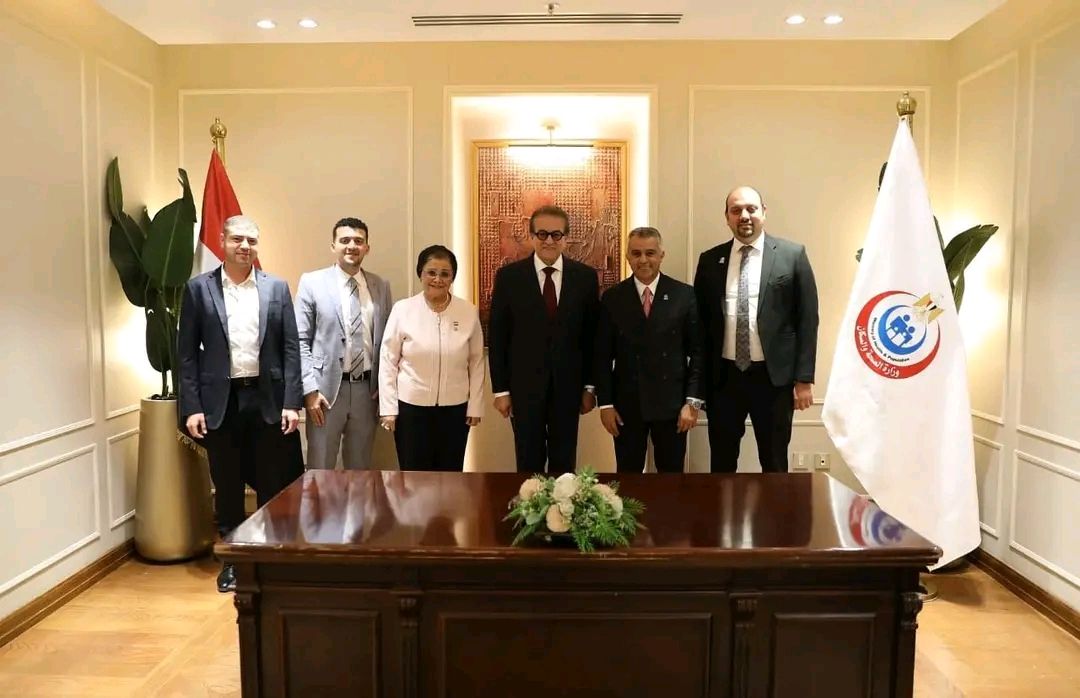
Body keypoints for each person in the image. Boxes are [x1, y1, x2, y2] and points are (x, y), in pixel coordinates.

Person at [177, 215, 303, 592]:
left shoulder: (276, 288)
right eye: (237, 239)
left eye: (251, 240)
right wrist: (192, 406)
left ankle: (265, 555)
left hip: (267, 398)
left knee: (270, 479)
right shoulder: (198, 289)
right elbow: (187, 354)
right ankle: (233, 561)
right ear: (222, 241)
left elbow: (291, 349)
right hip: (222, 401)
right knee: (228, 482)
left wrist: (291, 402)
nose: (245, 246)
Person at [693, 186, 819, 473]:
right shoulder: (710, 260)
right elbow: (700, 326)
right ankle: (722, 505)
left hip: (773, 380)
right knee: (722, 462)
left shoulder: (792, 255)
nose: (744, 216)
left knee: (774, 462)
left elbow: (808, 320)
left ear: (764, 212)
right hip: (724, 379)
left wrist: (804, 380)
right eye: (736, 210)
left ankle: (776, 506)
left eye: (751, 208)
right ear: (727, 217)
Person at [488, 204, 600, 474]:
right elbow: (498, 337)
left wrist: (589, 387)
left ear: (566, 238)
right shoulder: (509, 278)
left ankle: (563, 504)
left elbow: (592, 338)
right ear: (531, 236)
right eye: (542, 234)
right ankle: (530, 504)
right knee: (528, 461)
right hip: (524, 388)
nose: (549, 240)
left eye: (556, 234)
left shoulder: (585, 278)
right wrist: (501, 391)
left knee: (564, 463)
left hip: (569, 388)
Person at [594, 227, 705, 473]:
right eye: (636, 253)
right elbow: (601, 355)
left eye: (650, 253)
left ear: (661, 255)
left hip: (673, 405)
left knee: (671, 478)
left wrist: (692, 402)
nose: (643, 260)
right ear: (627, 256)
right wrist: (605, 404)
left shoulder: (683, 295)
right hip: (626, 406)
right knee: (628, 477)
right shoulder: (612, 298)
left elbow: (698, 353)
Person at [295, 218, 392, 471]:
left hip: (367, 392)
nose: (352, 246)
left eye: (358, 241)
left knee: (360, 469)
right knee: (320, 468)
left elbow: (387, 342)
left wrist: (383, 387)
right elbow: (300, 341)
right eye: (345, 240)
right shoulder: (312, 282)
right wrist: (310, 390)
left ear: (367, 248)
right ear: (333, 246)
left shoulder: (380, 286)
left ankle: (356, 503)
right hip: (325, 392)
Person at [378, 245, 485, 471]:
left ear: (452, 278)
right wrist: (388, 408)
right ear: (421, 274)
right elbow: (388, 360)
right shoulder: (403, 310)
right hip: (411, 408)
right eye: (431, 272)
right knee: (414, 474)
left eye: (445, 274)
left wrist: (475, 406)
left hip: (455, 409)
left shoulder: (468, 311)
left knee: (450, 473)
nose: (438, 279)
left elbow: (476, 362)